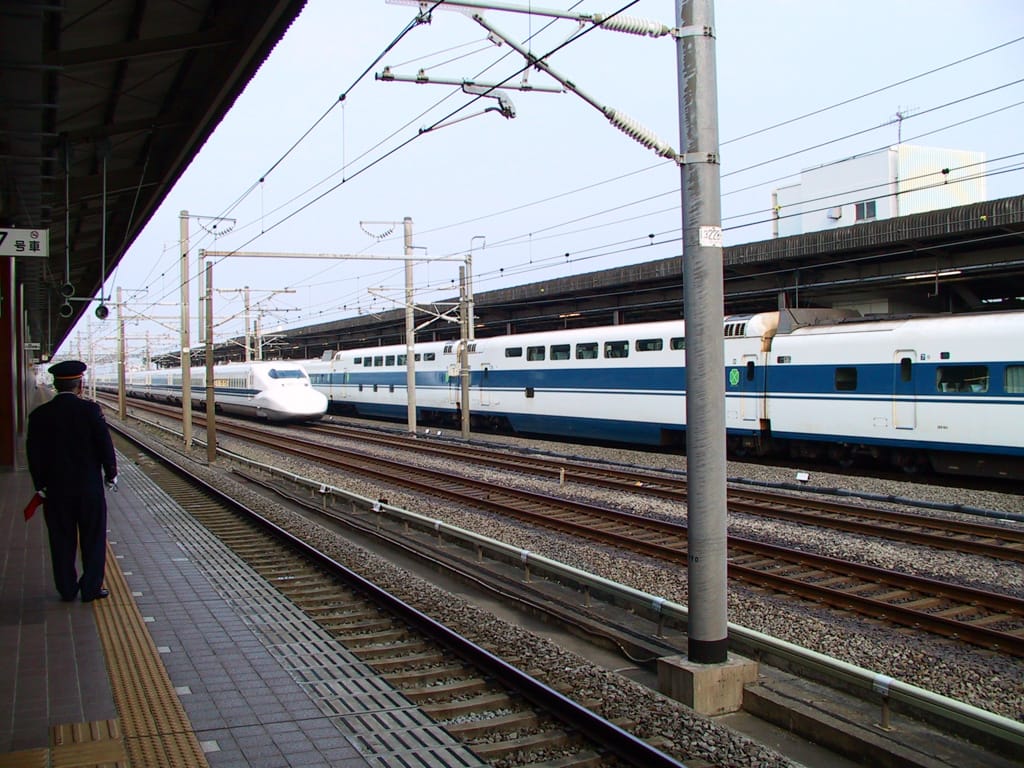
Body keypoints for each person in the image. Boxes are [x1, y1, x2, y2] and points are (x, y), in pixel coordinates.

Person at [26, 360, 118, 602]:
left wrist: (40, 485)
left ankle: (67, 588)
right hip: (89, 489)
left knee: (61, 539)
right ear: (80, 385)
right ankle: (91, 588)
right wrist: (111, 473)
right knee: (93, 539)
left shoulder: (39, 415)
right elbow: (104, 446)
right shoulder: (91, 411)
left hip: (56, 492)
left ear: (55, 385)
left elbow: (33, 454)